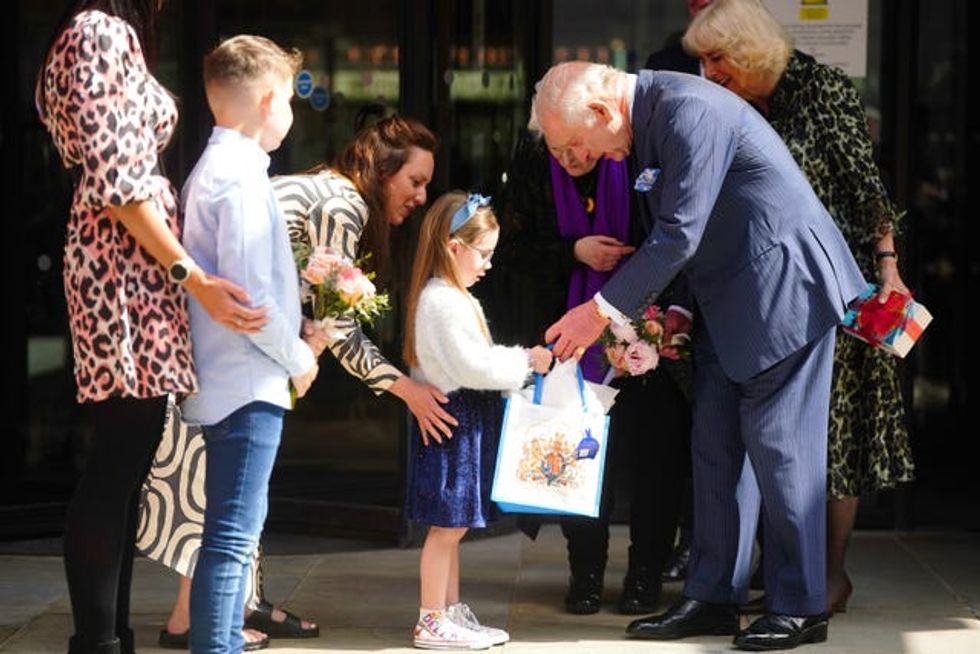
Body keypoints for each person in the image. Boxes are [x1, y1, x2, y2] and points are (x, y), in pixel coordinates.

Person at [530, 61, 867, 651]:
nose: (581, 158)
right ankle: (713, 597)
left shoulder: (690, 109)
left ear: (605, 112)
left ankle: (800, 605)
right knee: (714, 450)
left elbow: (680, 233)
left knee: (782, 451)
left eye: (577, 143)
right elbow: (679, 229)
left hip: (781, 289)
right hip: (726, 301)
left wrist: (599, 313)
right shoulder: (649, 122)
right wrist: (678, 310)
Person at [146, 113, 442, 652]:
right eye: (415, 182)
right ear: (381, 172)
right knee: (228, 501)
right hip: (231, 357)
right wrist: (404, 390)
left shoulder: (325, 190)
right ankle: (194, 623)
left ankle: (235, 606)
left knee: (232, 495)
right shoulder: (343, 202)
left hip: (225, 349)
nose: (421, 196)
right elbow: (338, 317)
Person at [36, 3, 266, 653]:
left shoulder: (99, 33)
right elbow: (119, 180)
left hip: (129, 267)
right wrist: (192, 277)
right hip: (122, 272)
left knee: (124, 462)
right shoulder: (97, 32)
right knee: (116, 463)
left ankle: (109, 638)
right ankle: (100, 643)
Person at [682, 0, 915, 615]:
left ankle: (828, 576)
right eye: (702, 61)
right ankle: (782, 572)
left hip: (832, 287)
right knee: (772, 439)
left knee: (829, 437)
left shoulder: (818, 90)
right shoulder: (730, 103)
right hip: (759, 292)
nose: (708, 72)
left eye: (717, 58)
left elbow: (868, 187)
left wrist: (888, 265)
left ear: (751, 49)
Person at [494, 130, 692, 615]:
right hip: (568, 335)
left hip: (646, 332)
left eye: (578, 146)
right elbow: (509, 246)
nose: (570, 158)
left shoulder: (642, 150)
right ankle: (585, 574)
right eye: (559, 150)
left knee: (655, 465)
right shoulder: (536, 160)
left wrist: (668, 318)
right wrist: (575, 252)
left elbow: (681, 237)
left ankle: (645, 576)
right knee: (578, 457)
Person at [179, 34, 319, 654]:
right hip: (245, 380)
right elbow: (247, 301)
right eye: (289, 98)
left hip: (238, 377)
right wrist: (301, 357)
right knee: (233, 536)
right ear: (267, 99)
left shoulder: (226, 169)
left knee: (235, 531)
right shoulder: (234, 176)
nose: (291, 111)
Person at [402, 192, 553, 649]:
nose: (487, 265)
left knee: (454, 526)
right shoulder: (442, 301)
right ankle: (431, 619)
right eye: (483, 254)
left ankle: (447, 612)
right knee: (446, 528)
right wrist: (526, 361)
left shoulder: (448, 296)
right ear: (454, 247)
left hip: (459, 420)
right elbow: (474, 366)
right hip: (452, 422)